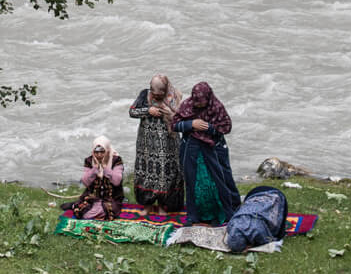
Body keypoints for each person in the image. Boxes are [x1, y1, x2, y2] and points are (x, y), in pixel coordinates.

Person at [173, 80, 242, 225]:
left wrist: (208, 128)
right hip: (192, 150)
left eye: (201, 102)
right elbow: (175, 125)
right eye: (196, 102)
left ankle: (225, 210)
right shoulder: (187, 105)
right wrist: (190, 124)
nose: (198, 105)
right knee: (193, 181)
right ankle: (195, 214)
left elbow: (226, 127)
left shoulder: (216, 107)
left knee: (221, 179)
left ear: (208, 98)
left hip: (213, 148)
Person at [127, 74, 185, 210]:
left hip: (169, 145)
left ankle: (166, 204)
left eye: (160, 94)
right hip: (147, 145)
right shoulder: (144, 95)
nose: (156, 96)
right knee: (147, 172)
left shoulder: (175, 96)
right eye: (154, 93)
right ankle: (147, 204)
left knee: (167, 173)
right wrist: (148, 110)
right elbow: (132, 112)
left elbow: (181, 116)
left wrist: (169, 113)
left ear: (165, 90)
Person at [63, 136, 125, 219]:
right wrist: (95, 168)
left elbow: (117, 181)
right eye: (96, 152)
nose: (99, 155)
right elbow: (86, 182)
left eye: (102, 152)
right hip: (93, 196)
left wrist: (105, 167)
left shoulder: (116, 160)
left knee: (107, 210)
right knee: (83, 212)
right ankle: (77, 205)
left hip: (112, 198)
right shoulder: (89, 161)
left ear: (107, 150)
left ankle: (92, 208)